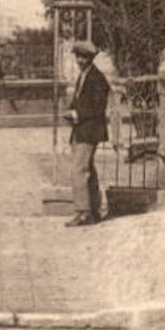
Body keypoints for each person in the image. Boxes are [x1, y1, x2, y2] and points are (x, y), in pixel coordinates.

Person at [64, 40, 110, 227]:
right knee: (87, 169)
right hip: (81, 129)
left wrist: (77, 113)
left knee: (78, 170)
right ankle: (94, 209)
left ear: (90, 58)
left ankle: (83, 212)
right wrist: (70, 110)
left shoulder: (97, 79)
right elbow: (79, 100)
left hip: (89, 130)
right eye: (78, 56)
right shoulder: (84, 76)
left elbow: (97, 107)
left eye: (83, 57)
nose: (80, 60)